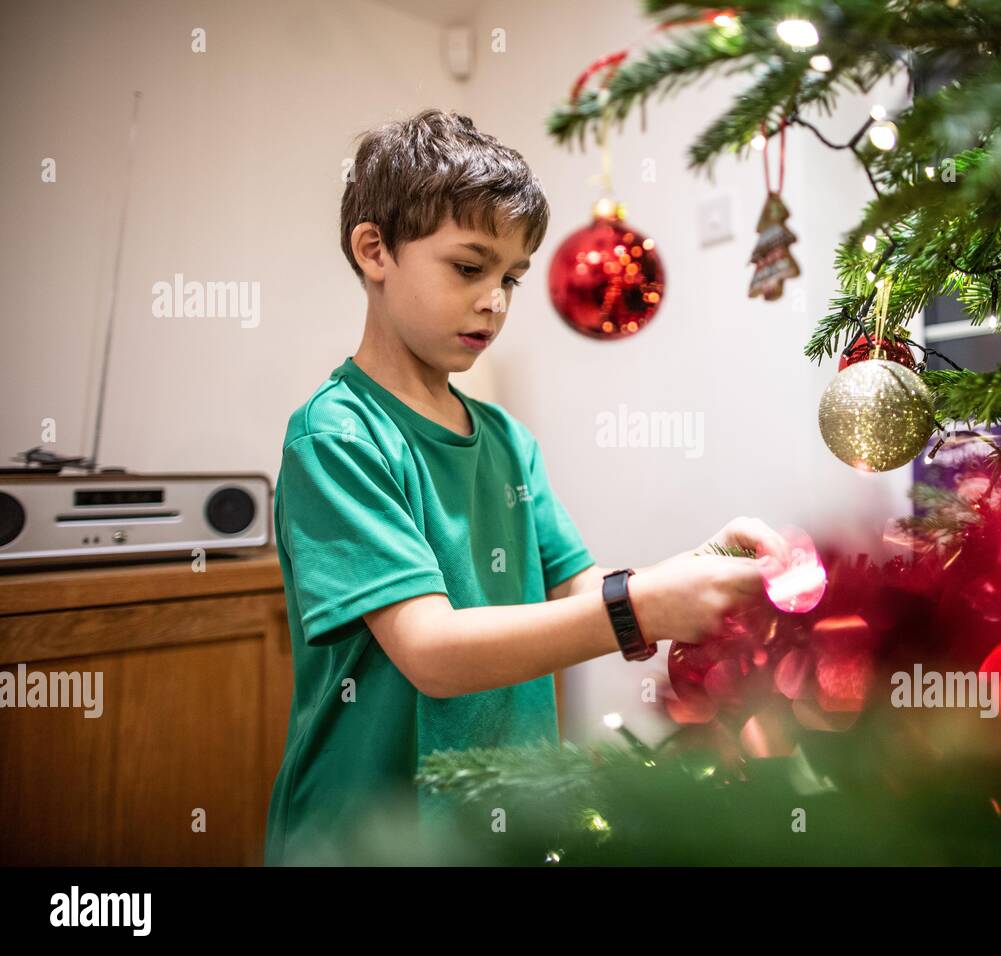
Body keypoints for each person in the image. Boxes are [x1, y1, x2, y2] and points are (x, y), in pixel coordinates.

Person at [263, 108, 790, 865]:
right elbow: (433, 652)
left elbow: (580, 598)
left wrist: (691, 572)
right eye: (469, 268)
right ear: (374, 249)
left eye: (511, 276)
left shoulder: (507, 441)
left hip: (503, 823)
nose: (496, 301)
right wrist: (640, 603)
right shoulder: (336, 436)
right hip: (367, 838)